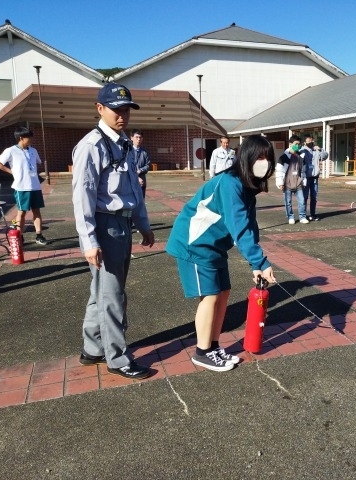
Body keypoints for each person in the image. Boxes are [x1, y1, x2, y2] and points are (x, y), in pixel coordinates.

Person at [166, 135, 277, 372]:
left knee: (224, 292)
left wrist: (255, 265)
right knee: (211, 295)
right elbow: (239, 227)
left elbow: (250, 226)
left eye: (267, 158)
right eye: (259, 156)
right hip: (194, 243)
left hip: (214, 246)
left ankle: (213, 346)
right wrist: (260, 261)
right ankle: (202, 352)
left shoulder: (247, 187)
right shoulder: (229, 183)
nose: (264, 162)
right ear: (246, 158)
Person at [72, 83, 155, 380]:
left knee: (103, 291)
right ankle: (117, 359)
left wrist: (143, 224)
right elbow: (82, 196)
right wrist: (89, 241)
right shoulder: (91, 146)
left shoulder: (124, 144)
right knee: (113, 295)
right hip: (104, 225)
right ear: (99, 108)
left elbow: (134, 187)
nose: (122, 115)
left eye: (126, 110)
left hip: (123, 224)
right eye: (116, 109)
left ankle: (93, 348)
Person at [0, 126, 48, 245]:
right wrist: (11, 171)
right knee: (21, 212)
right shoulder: (11, 150)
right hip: (21, 187)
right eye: (29, 137)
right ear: (21, 138)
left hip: (35, 186)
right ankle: (20, 236)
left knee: (37, 211)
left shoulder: (33, 150)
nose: (31, 139)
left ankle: (39, 235)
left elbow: (37, 162)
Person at [275, 134, 308, 224]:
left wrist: (304, 181)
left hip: (298, 183)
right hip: (287, 183)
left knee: (302, 201)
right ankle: (290, 217)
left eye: (298, 144)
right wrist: (280, 183)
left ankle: (302, 216)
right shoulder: (283, 157)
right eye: (295, 144)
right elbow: (279, 171)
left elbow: (303, 170)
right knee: (288, 202)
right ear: (290, 144)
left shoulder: (301, 156)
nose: (297, 146)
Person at [301, 134, 328, 221]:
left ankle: (313, 214)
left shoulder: (316, 150)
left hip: (315, 178)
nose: (310, 143)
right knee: (304, 197)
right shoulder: (302, 150)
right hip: (306, 177)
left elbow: (325, 156)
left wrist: (320, 149)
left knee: (314, 197)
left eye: (311, 141)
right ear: (304, 142)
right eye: (308, 141)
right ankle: (303, 215)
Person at [131, 129, 151, 198]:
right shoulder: (127, 151)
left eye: (140, 137)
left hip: (142, 181)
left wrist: (141, 170)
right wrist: (136, 176)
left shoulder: (144, 152)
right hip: (130, 181)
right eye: (136, 137)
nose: (138, 139)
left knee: (141, 201)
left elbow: (147, 165)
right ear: (132, 138)